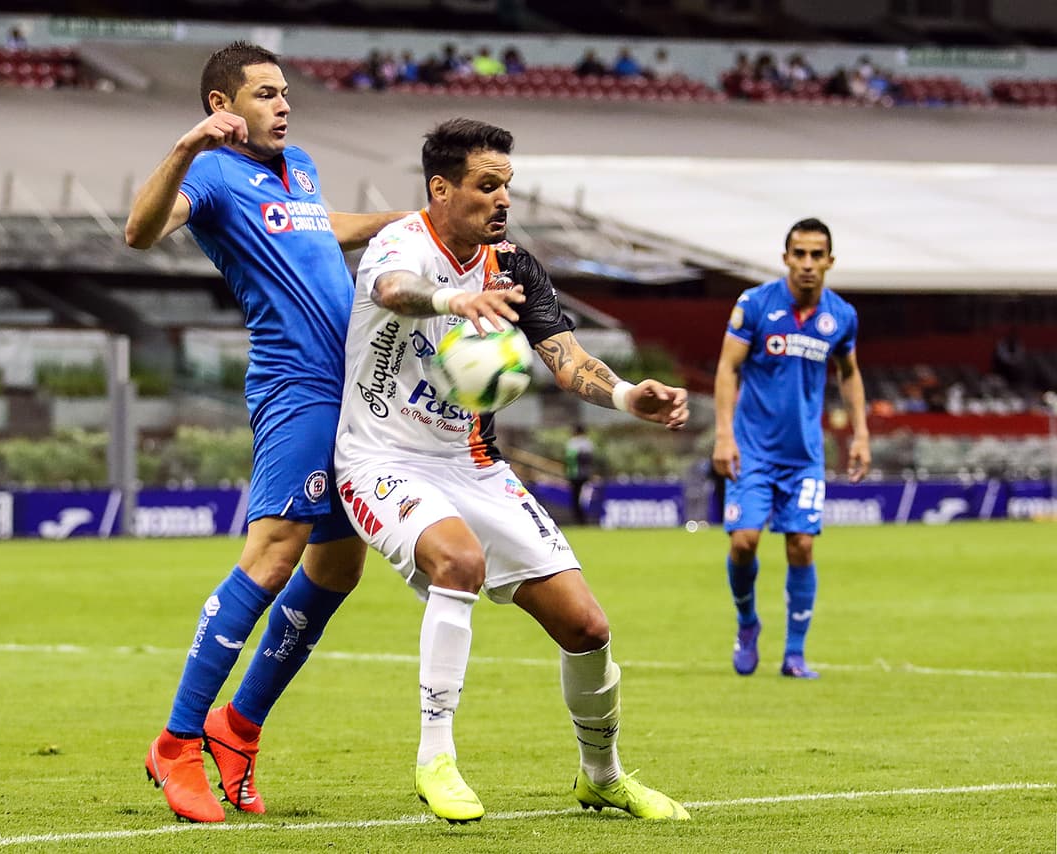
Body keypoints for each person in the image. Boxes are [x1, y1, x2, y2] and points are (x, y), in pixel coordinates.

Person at [335, 118, 691, 824]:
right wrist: (451, 299)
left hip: (472, 464)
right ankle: (435, 758)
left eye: (507, 186)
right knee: (459, 562)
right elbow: (394, 290)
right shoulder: (401, 243)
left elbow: (566, 358)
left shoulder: (514, 267)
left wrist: (628, 397)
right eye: (486, 185)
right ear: (441, 189)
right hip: (381, 459)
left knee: (587, 627)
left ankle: (602, 777)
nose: (502, 199)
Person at [123, 40, 405, 823]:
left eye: (285, 93)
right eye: (266, 94)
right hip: (295, 386)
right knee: (273, 555)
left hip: (351, 392)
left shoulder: (300, 167)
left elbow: (318, 227)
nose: (283, 105)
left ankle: (238, 727)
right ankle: (177, 741)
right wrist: (185, 147)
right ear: (223, 106)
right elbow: (140, 232)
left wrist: (403, 223)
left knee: (338, 568)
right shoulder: (211, 173)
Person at [711, 218, 870, 680]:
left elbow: (850, 373)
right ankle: (747, 622)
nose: (807, 263)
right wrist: (723, 434)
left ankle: (794, 654)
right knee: (744, 542)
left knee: (801, 545)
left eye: (816, 255)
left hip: (804, 458)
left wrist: (861, 433)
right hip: (752, 452)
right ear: (785, 258)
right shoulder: (755, 304)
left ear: (830, 261)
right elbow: (727, 368)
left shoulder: (841, 316)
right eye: (799, 254)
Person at [564, 424, 596, 525]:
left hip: (575, 474)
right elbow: (590, 459)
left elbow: (569, 460)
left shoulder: (572, 443)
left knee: (576, 498)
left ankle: (579, 519)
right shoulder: (587, 443)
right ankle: (583, 519)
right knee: (583, 498)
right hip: (583, 474)